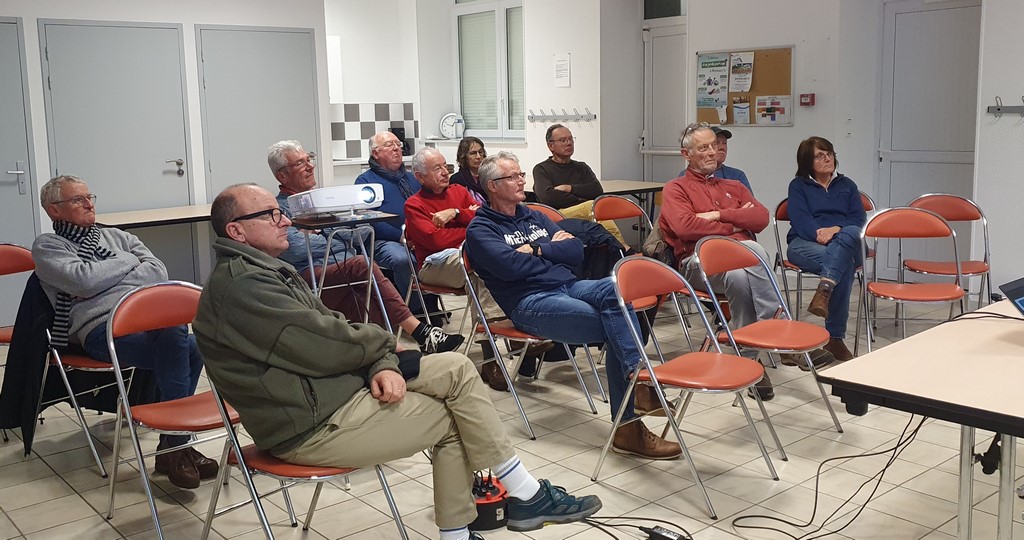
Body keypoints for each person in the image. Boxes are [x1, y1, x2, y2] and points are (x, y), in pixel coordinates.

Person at [194, 183, 602, 539]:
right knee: (457, 420)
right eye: (270, 215)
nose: (284, 220)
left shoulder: (266, 271)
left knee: (457, 367)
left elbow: (334, 327)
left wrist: (381, 362)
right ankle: (505, 508)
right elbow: (325, 345)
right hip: (309, 424)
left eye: (279, 211)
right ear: (237, 231)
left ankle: (522, 497)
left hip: (332, 391)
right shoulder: (244, 286)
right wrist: (385, 347)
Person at [466, 151, 682, 460]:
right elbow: (511, 267)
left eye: (521, 174)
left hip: (569, 285)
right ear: (492, 185)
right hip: (531, 302)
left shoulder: (533, 215)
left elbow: (575, 251)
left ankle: (635, 389)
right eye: (513, 177)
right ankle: (629, 418)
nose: (521, 181)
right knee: (616, 325)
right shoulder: (481, 229)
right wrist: (552, 249)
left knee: (618, 292)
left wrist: (537, 250)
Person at [31, 175, 215, 489]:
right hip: (100, 331)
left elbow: (157, 271)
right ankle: (175, 446)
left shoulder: (117, 236)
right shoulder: (48, 247)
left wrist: (101, 281)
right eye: (78, 199)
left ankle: (174, 446)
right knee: (186, 345)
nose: (89, 204)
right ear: (54, 210)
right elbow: (83, 280)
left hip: (148, 323)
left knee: (187, 340)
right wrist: (129, 262)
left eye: (89, 197)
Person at [659, 124, 835, 400]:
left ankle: (750, 364)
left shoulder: (734, 185)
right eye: (703, 148)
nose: (712, 152)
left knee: (739, 277)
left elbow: (761, 218)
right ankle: (780, 329)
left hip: (738, 268)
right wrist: (735, 224)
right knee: (751, 247)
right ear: (686, 154)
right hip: (697, 265)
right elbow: (686, 227)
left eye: (714, 145)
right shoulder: (675, 189)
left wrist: (718, 215)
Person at [268, 140, 463, 354]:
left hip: (346, 266)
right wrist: (337, 234)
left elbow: (361, 230)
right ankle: (420, 331)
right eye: (300, 163)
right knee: (365, 264)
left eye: (309, 159)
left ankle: (393, 351)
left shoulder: (324, 200)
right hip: (313, 273)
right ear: (282, 176)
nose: (310, 166)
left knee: (369, 294)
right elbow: (295, 248)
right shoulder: (279, 209)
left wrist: (321, 232)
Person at [405, 148, 534, 390]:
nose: (445, 172)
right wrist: (471, 228)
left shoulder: (459, 191)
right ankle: (503, 349)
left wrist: (454, 213)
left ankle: (496, 355)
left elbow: (484, 217)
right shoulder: (414, 205)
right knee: (483, 262)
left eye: (445, 166)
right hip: (434, 265)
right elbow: (436, 241)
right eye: (437, 169)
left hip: (469, 258)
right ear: (419, 176)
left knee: (489, 265)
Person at [785, 136, 865, 362]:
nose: (827, 158)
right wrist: (821, 235)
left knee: (851, 233)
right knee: (844, 263)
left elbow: (859, 219)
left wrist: (835, 230)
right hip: (806, 242)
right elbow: (800, 220)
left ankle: (825, 290)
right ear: (807, 162)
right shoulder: (798, 186)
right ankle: (835, 338)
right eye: (819, 156)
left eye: (829, 154)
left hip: (845, 241)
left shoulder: (847, 185)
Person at [354, 131, 432, 317]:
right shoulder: (365, 182)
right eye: (390, 145)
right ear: (375, 153)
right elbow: (369, 220)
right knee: (403, 260)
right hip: (383, 240)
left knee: (439, 253)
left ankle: (430, 304)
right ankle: (415, 313)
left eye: (398, 144)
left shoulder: (412, 178)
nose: (397, 148)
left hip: (417, 236)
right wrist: (402, 237)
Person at [531, 124, 628, 246]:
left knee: (597, 209)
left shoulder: (581, 167)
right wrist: (581, 198)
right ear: (551, 146)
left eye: (571, 139)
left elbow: (597, 190)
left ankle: (615, 248)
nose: (569, 143)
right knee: (592, 206)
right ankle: (623, 247)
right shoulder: (541, 169)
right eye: (563, 140)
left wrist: (569, 188)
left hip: (584, 210)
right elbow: (548, 197)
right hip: (557, 214)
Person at [450, 136, 489, 206]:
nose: (478, 157)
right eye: (473, 153)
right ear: (464, 156)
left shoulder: (490, 176)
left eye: (480, 152)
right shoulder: (457, 180)